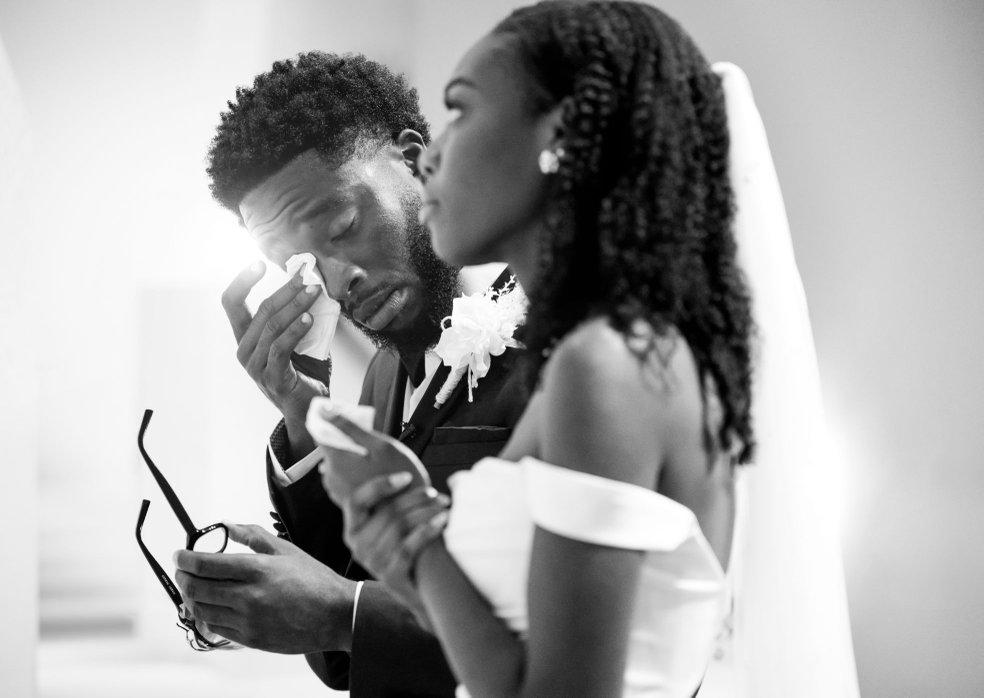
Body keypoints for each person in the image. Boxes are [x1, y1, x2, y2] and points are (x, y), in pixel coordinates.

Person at [320, 2, 858, 697]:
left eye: (460, 109)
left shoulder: (605, 368)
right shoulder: (616, 355)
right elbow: (511, 657)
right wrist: (406, 539)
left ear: (562, 136)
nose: (431, 154)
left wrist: (416, 541)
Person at [172, 52, 531, 697]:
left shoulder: (558, 346)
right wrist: (303, 418)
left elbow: (569, 642)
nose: (338, 283)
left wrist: (344, 612)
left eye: (343, 226)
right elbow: (343, 662)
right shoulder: (384, 377)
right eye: (300, 266)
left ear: (414, 160)